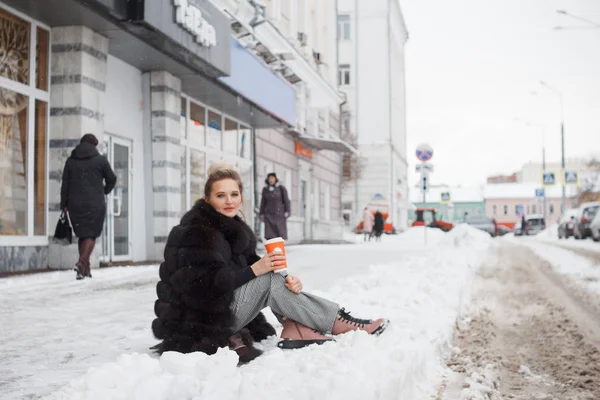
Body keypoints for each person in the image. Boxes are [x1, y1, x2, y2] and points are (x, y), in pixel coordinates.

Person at [152, 163, 388, 364]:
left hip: (218, 311)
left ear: (241, 197)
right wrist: (259, 270)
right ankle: (339, 323)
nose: (229, 201)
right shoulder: (197, 232)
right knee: (268, 278)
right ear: (207, 199)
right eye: (220, 195)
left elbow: (259, 271)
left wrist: (290, 281)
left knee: (275, 277)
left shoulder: (233, 230)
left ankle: (299, 327)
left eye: (234, 194)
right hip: (197, 322)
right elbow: (203, 286)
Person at [60, 134, 117, 280]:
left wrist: (64, 205)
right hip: (95, 203)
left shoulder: (71, 161)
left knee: (82, 235)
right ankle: (81, 262)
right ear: (94, 145)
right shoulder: (100, 161)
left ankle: (84, 269)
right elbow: (112, 178)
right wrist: (105, 190)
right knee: (91, 234)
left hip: (75, 204)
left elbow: (65, 184)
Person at [259, 172, 291, 240]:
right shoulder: (265, 189)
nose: (271, 180)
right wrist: (261, 214)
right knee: (270, 236)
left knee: (279, 235)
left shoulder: (281, 189)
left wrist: (287, 211)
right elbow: (263, 202)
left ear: (275, 179)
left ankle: (279, 249)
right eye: (269, 178)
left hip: (279, 215)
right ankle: (271, 249)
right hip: (268, 216)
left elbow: (286, 201)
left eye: (272, 178)